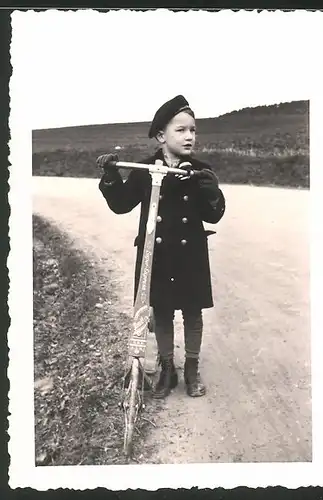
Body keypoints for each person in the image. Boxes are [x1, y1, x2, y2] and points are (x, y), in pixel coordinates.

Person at [97, 95, 226, 399]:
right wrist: (111, 176)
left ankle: (191, 368)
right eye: (181, 130)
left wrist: (211, 192)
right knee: (163, 309)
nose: (190, 136)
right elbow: (121, 205)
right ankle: (167, 368)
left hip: (190, 252)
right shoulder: (144, 169)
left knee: (193, 311)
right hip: (157, 254)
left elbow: (214, 213)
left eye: (193, 130)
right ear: (160, 136)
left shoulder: (199, 170)